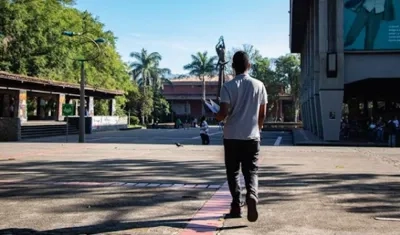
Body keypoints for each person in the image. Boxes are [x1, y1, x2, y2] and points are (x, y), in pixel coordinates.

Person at [216, 51, 267, 222]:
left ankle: (236, 206)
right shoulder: (259, 85)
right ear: (249, 66)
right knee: (251, 171)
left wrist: (214, 116)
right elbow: (262, 114)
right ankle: (252, 195)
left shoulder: (227, 87)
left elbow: (223, 113)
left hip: (231, 136)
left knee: (233, 172)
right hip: (252, 136)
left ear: (233, 67)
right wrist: (258, 129)